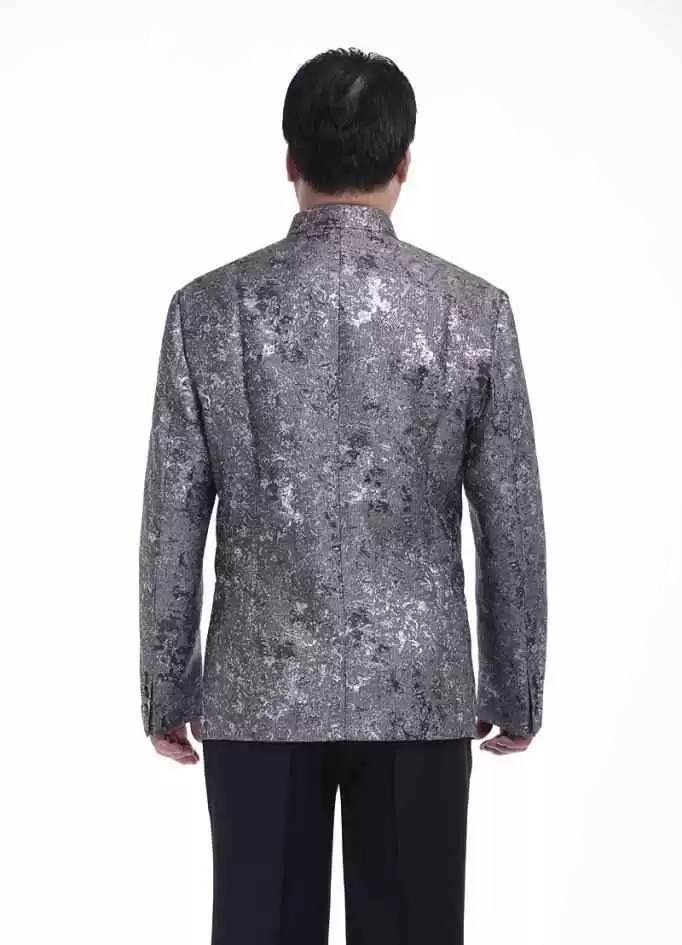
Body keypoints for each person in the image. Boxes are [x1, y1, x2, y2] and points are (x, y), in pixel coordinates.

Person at [138, 46, 547, 945]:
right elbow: (510, 514)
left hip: (257, 693)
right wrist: (516, 684)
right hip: (419, 693)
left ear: (289, 160)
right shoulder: (472, 310)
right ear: (404, 163)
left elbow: (173, 514)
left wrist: (167, 684)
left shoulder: (207, 310)